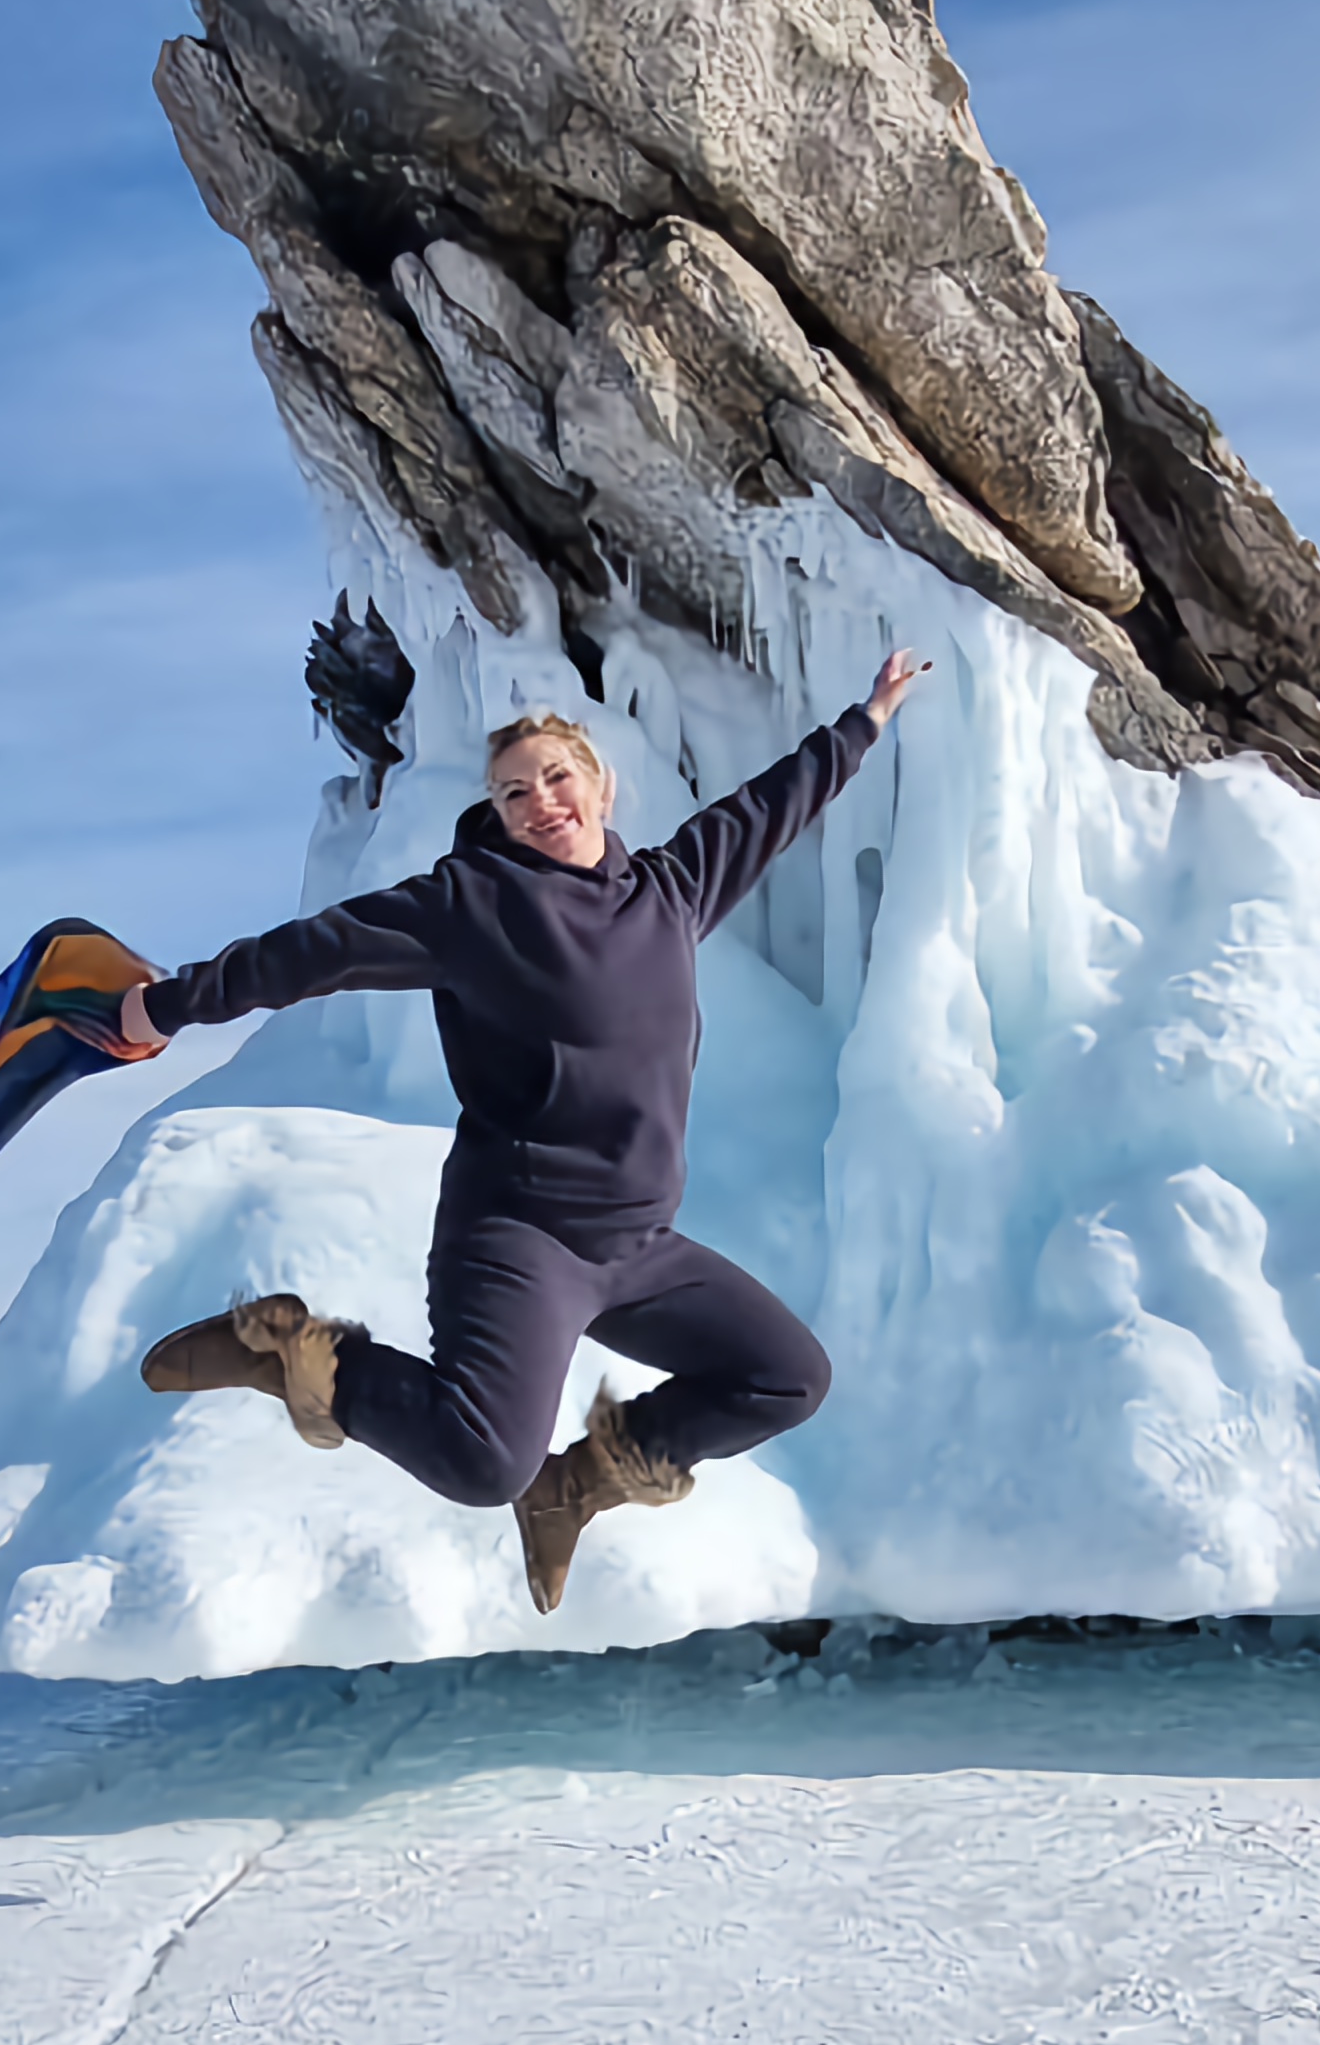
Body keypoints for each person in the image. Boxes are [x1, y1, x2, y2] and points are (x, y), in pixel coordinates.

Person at [121, 651, 929, 1607]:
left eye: (557, 778)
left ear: (601, 786)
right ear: (498, 816)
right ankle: (292, 1355)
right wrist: (168, 1004)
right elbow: (316, 952)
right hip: (521, 1236)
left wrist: (865, 722)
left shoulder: (672, 892)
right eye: (514, 793)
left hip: (636, 1244)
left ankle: (572, 1489)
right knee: (478, 1464)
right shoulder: (472, 906)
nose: (541, 802)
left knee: (786, 1376)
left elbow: (768, 809)